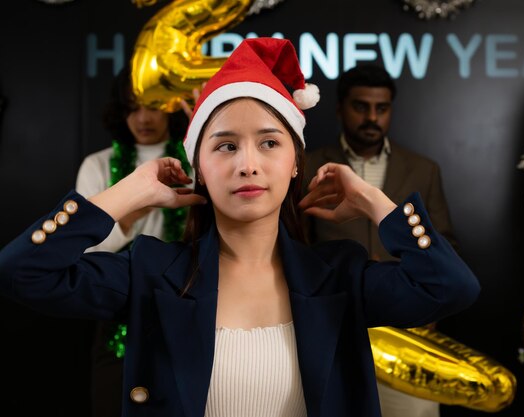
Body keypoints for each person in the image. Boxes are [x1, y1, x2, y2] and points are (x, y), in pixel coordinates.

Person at [0, 38, 479, 417]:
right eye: (225, 146)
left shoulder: (339, 276)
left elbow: (451, 287)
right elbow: (23, 272)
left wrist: (377, 203)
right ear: (199, 167)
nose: (248, 164)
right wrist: (127, 193)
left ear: (296, 163)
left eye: (269, 143)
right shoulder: (152, 272)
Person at [304, 64, 456, 416]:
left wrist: (431, 303)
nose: (372, 117)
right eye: (361, 106)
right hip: (333, 332)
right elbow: (297, 244)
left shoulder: (423, 169)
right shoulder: (308, 165)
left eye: (382, 108)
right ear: (340, 109)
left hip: (408, 334)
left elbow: (444, 241)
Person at [75, 65, 192, 417]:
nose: (143, 118)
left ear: (171, 106)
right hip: (116, 307)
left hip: (183, 303)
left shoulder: (196, 162)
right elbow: (82, 249)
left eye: (153, 105)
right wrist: (135, 205)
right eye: (133, 107)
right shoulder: (99, 165)